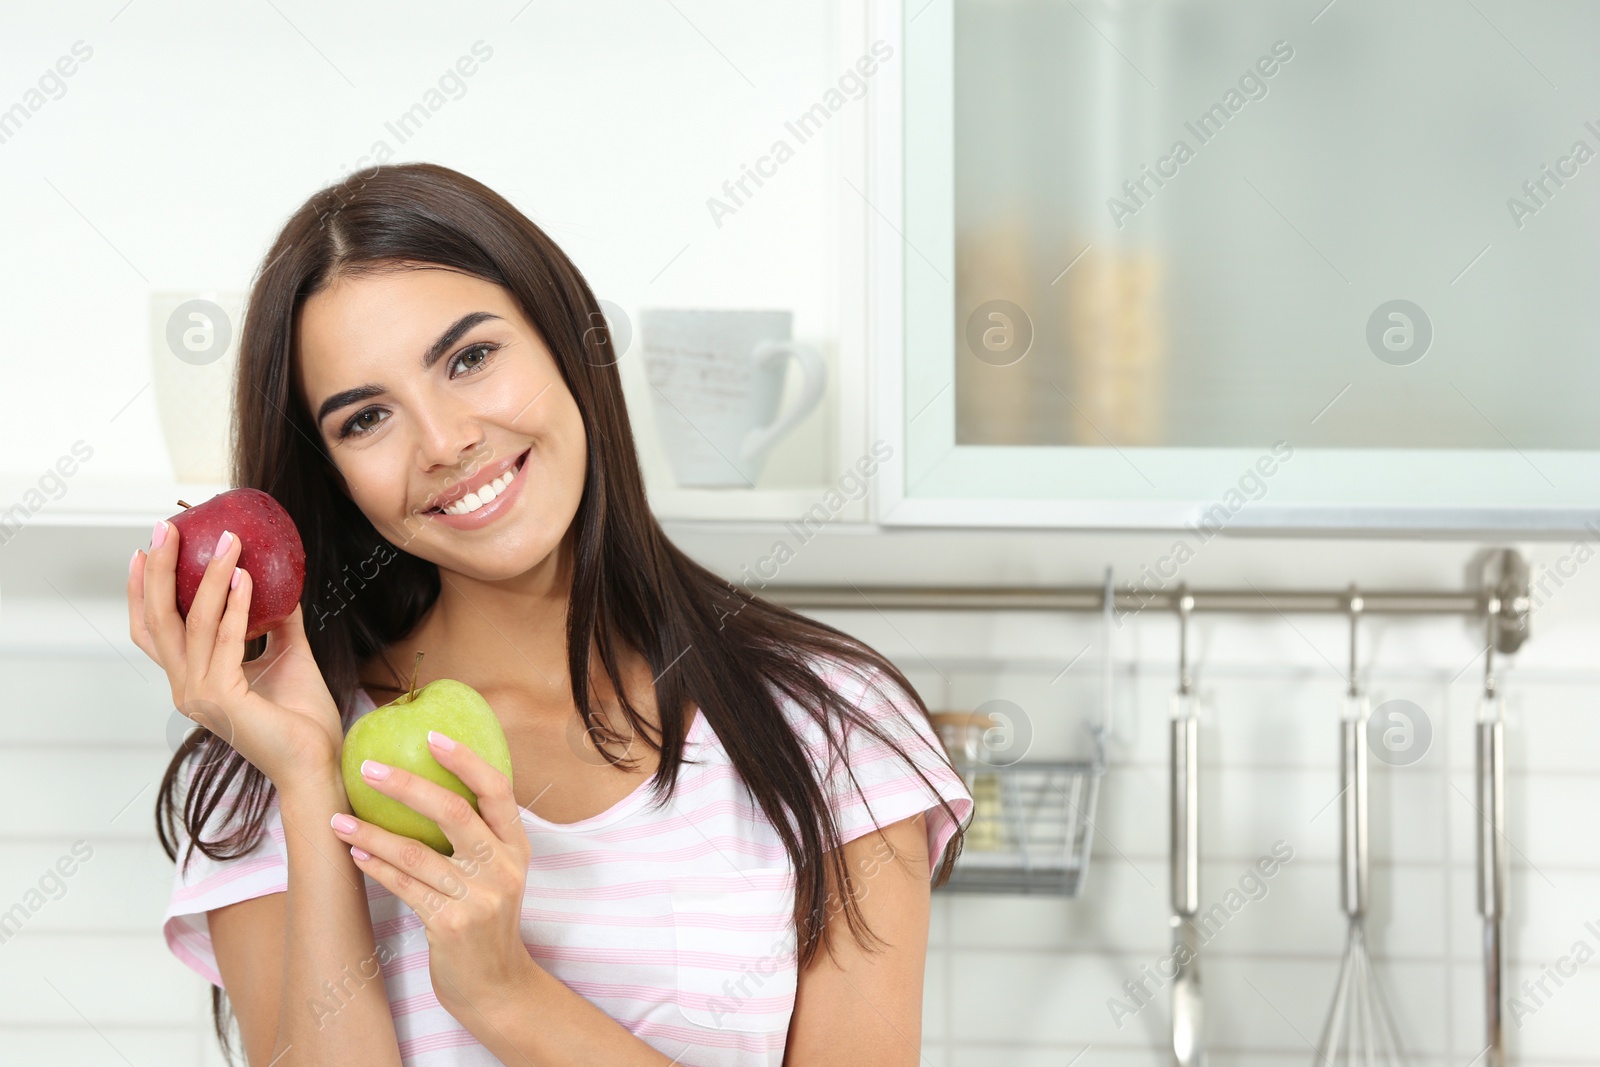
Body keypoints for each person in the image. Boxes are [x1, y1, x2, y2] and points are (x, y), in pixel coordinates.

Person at [128, 163, 972, 1066]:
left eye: (470, 357)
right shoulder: (266, 773)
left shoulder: (834, 728)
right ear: (333, 474)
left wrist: (507, 993)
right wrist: (305, 777)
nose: (446, 441)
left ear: (570, 341)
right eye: (367, 417)